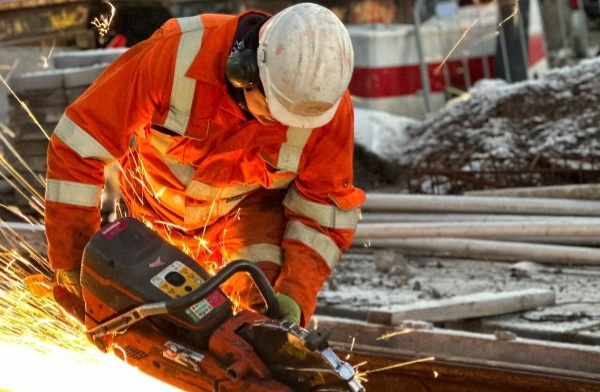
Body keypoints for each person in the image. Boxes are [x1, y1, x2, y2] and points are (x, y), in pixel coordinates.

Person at [44, 3, 364, 327]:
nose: (279, 124)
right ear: (245, 71)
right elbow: (79, 145)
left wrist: (293, 296)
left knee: (265, 322)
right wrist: (75, 262)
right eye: (273, 110)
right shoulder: (174, 56)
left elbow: (323, 214)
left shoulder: (323, 111)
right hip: (154, 216)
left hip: (245, 221)